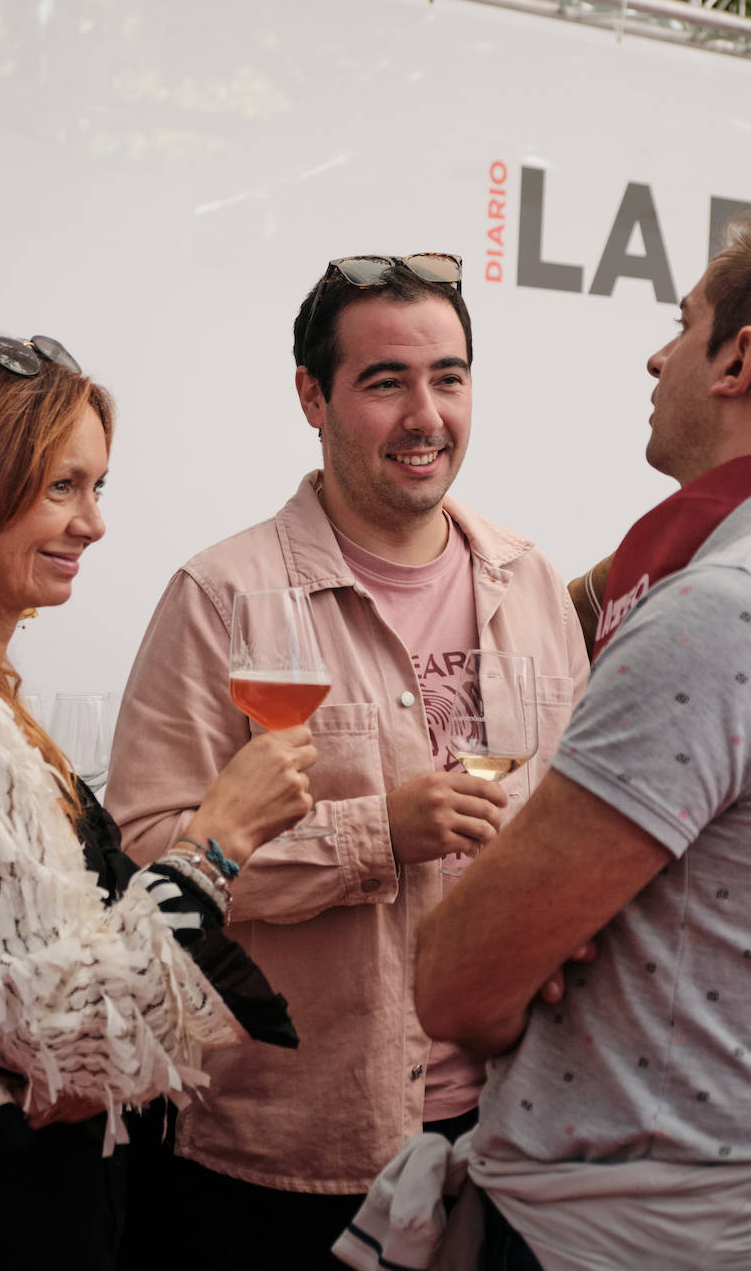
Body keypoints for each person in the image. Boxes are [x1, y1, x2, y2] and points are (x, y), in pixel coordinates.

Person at [106, 255, 588, 1267]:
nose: (426, 415)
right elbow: (146, 867)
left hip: (509, 1132)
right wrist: (376, 835)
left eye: (448, 378)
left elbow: (571, 835)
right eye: (386, 382)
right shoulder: (220, 595)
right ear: (310, 396)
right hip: (287, 1156)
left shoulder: (533, 580)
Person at [0, 333, 317, 1270]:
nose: (93, 524)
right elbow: (61, 1038)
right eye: (62, 486)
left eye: (98, 488)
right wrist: (216, 841)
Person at [414, 220, 751, 1270]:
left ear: (739, 359)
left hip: (618, 1217)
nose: (657, 357)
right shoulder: (670, 579)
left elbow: (459, 984)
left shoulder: (710, 614)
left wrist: (522, 934)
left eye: (682, 325)